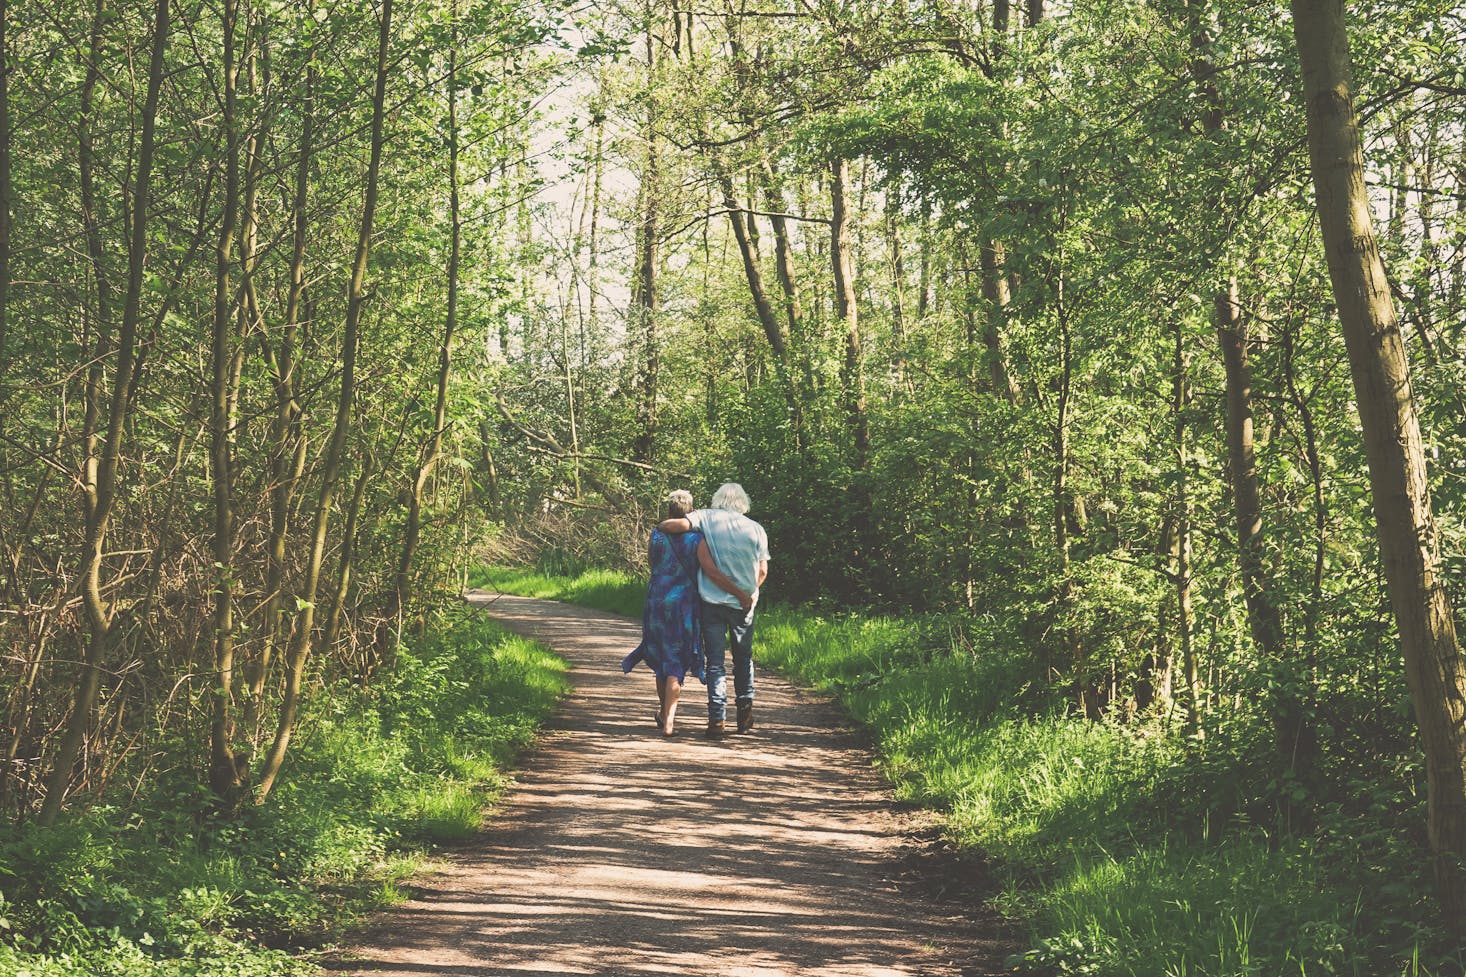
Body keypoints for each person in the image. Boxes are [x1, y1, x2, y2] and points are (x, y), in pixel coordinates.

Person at [622, 490, 750, 737]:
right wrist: (736, 591)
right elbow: (710, 570)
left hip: (656, 601)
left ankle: (663, 714)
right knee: (675, 662)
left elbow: (653, 562)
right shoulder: (697, 539)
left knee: (662, 660)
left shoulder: (657, 534)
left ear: (670, 511)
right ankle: (668, 721)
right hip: (684, 605)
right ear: (691, 512)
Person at [659, 482, 768, 739]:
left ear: (718, 499)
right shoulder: (756, 529)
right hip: (744, 606)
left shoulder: (706, 516)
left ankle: (717, 721)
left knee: (716, 664)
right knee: (743, 659)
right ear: (743, 502)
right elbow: (762, 570)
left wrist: (662, 526)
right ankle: (744, 715)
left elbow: (676, 526)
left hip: (712, 603)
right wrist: (746, 594)